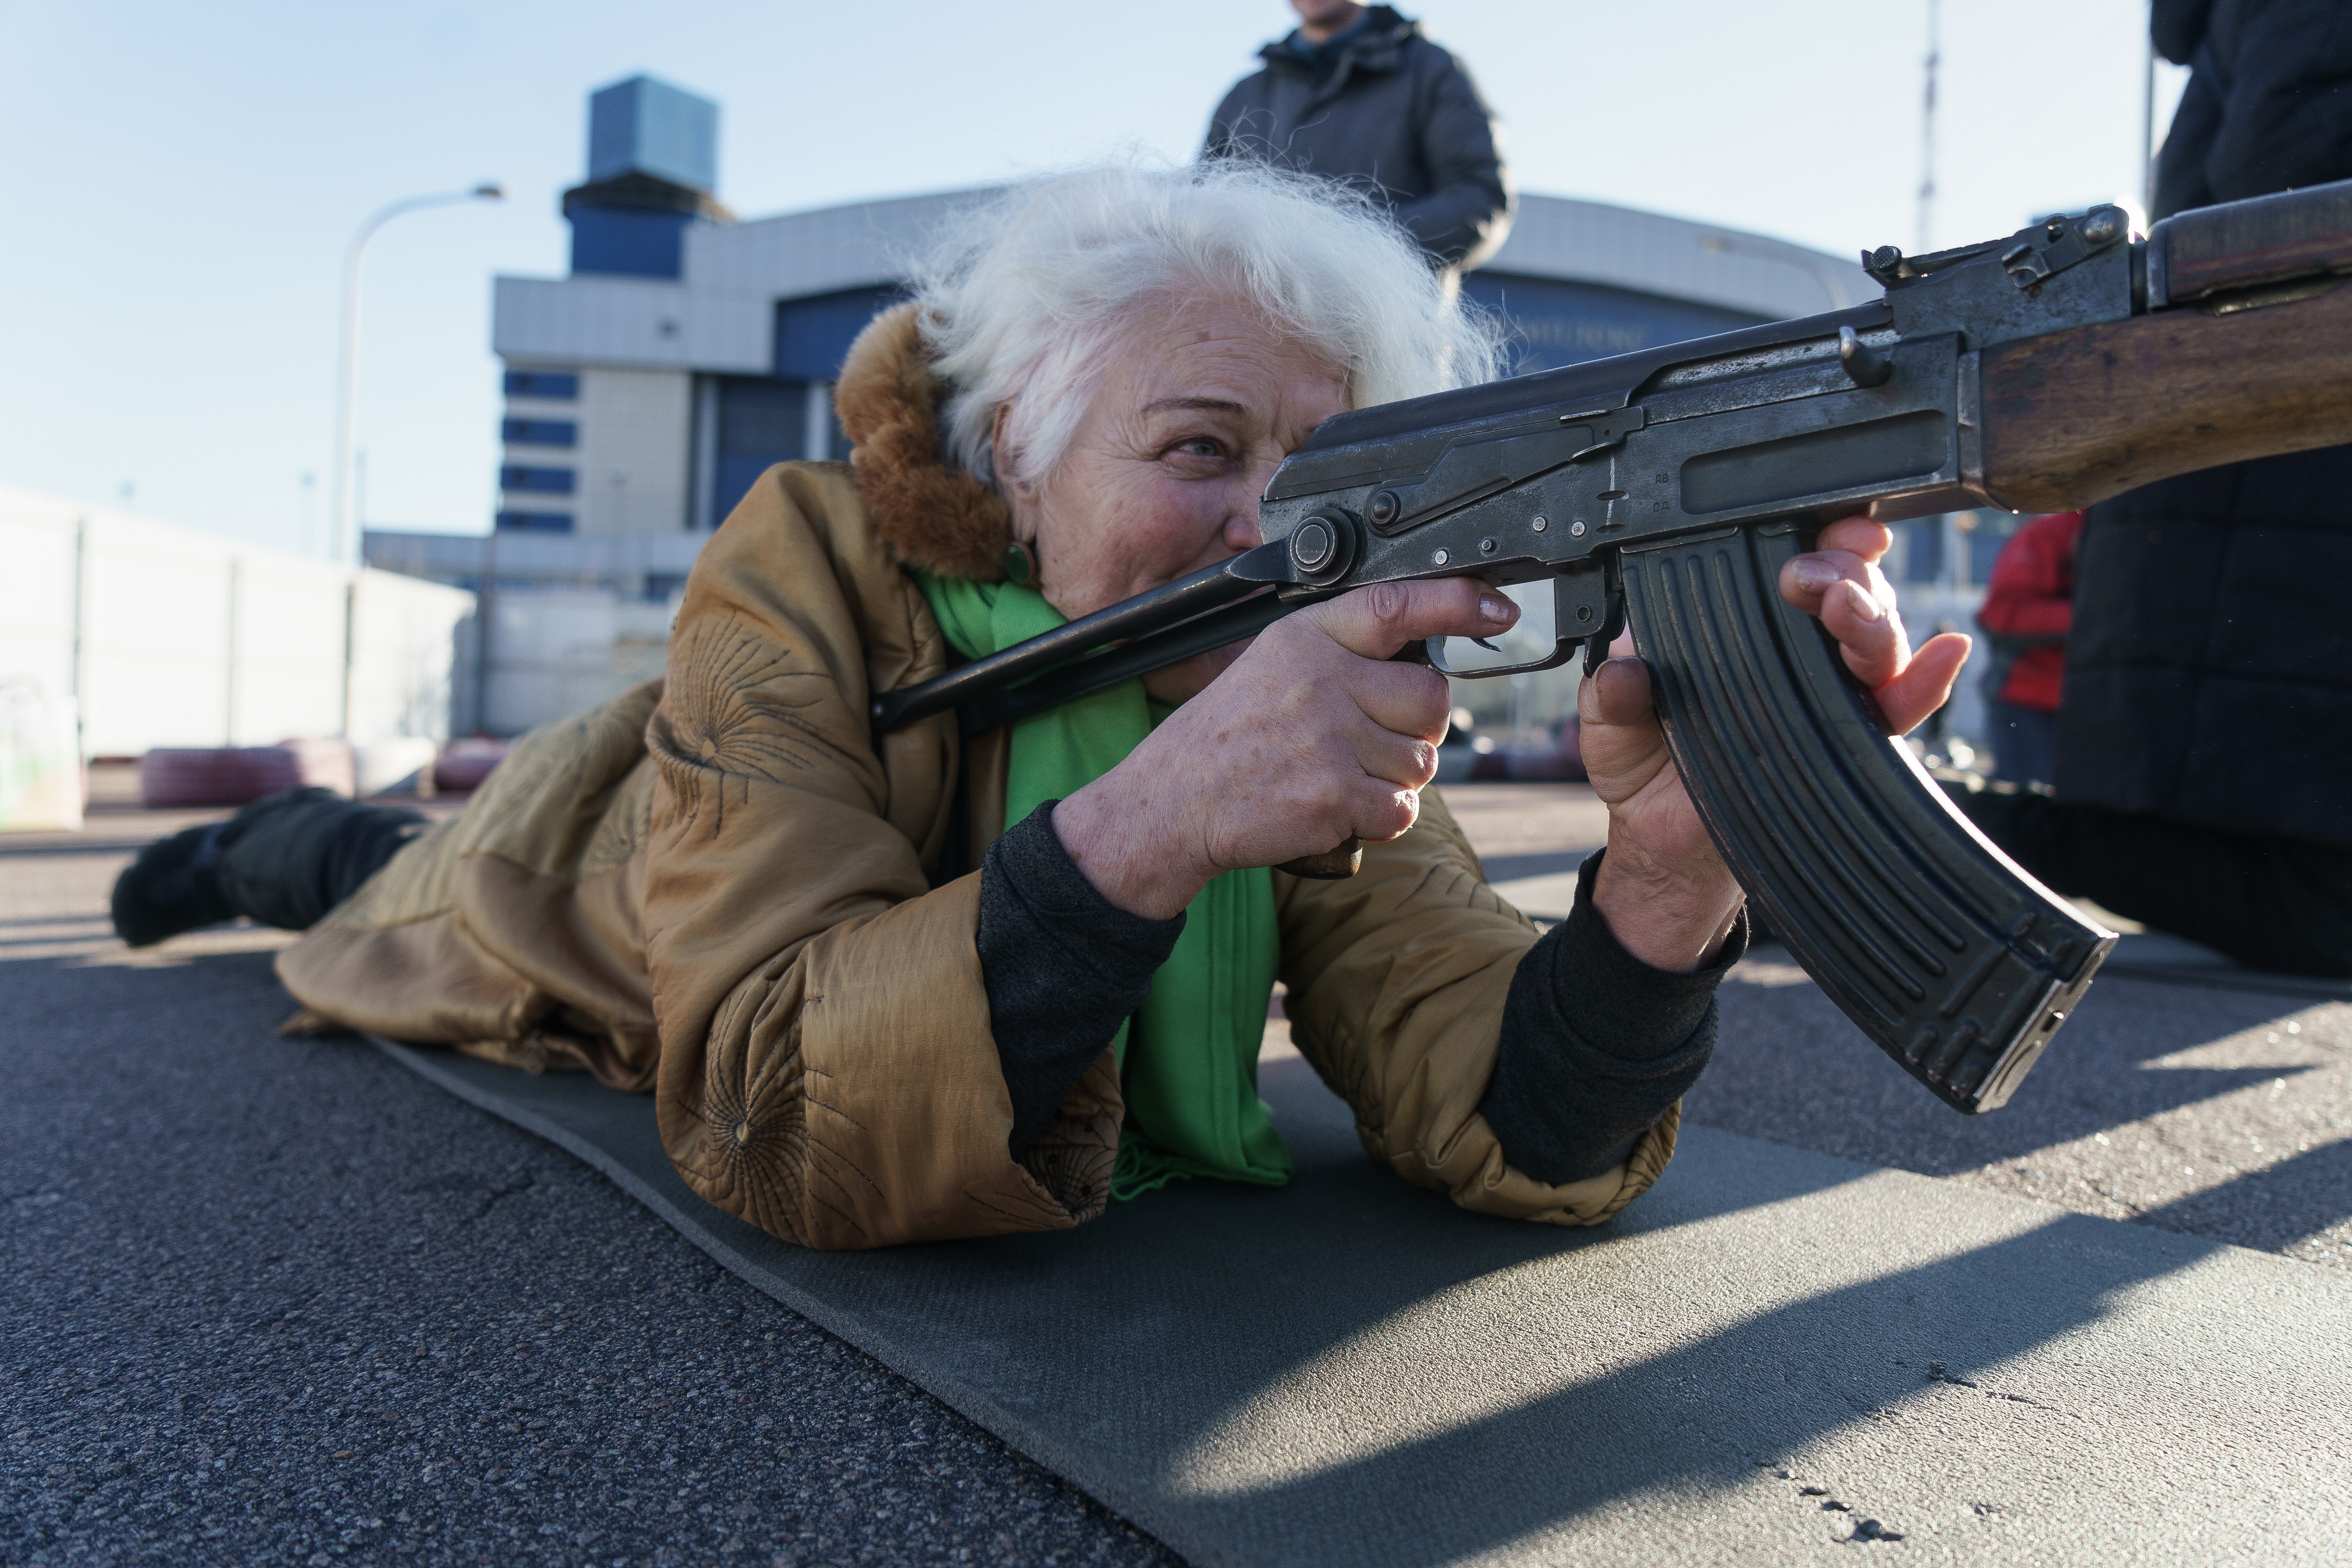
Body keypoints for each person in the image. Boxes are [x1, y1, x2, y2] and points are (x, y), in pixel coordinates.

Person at [111, 163, 1961, 1250]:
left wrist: (1660, 882)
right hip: (564, 876)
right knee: (356, 881)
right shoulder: (802, 560)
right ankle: (226, 849)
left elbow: (1499, 1102)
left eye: (1322, 475)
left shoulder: (1289, 652)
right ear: (1022, 446)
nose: (1271, 528)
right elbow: (765, 1099)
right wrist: (1162, 817)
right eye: (1198, 449)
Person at [1950, 0, 2352, 977]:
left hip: (2254, 502)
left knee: (2287, 892)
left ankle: (1900, 835)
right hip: (2269, 498)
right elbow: (2291, 189)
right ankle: (1882, 838)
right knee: (2307, 902)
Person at [1203, 3, 1513, 270]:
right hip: (1259, 330)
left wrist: (1355, 246)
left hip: (1387, 331)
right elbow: (1198, 215)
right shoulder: (1244, 97)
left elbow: (1480, 198)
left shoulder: (1430, 71)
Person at [1974, 510, 2081, 789]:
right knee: (2030, 813)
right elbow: (2002, 614)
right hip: (2030, 705)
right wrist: (2094, 618)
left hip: (2101, 710)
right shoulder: (2051, 533)